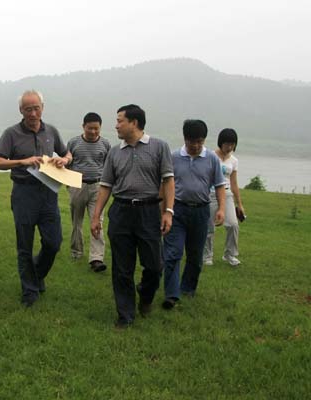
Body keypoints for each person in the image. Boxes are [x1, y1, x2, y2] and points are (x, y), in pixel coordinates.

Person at [91, 104, 174, 328]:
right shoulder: (114, 152)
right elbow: (106, 186)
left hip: (149, 212)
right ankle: (125, 315)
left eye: (120, 121)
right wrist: (96, 216)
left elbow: (168, 180)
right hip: (121, 211)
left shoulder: (159, 147)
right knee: (122, 268)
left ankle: (145, 295)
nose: (116, 125)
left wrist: (168, 211)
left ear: (134, 123)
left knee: (154, 266)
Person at [0, 90, 72, 307]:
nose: (33, 113)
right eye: (28, 109)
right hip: (24, 194)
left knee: (53, 242)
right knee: (25, 245)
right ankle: (29, 291)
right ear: (21, 110)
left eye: (36, 108)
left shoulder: (51, 131)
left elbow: (67, 153)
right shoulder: (11, 133)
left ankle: (35, 274)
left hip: (48, 193)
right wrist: (22, 161)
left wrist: (64, 160)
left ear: (42, 108)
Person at [162, 120, 226, 310]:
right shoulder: (174, 157)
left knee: (195, 256)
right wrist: (163, 210)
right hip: (177, 210)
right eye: (192, 142)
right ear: (185, 139)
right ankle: (171, 294)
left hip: (201, 211)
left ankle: (187, 289)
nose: (196, 146)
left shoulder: (212, 158)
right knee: (173, 252)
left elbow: (220, 186)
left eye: (200, 141)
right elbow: (165, 185)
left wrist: (221, 209)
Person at [66, 112, 111, 272]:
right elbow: (67, 165)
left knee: (97, 221)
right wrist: (70, 185)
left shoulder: (105, 144)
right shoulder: (73, 143)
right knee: (76, 222)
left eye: (96, 128)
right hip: (77, 185)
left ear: (100, 128)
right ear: (83, 127)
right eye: (90, 128)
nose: (93, 132)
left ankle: (96, 258)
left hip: (98, 186)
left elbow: (108, 167)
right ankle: (76, 252)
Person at [203, 128, 244, 266]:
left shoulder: (234, 161)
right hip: (210, 193)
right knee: (209, 227)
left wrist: (240, 204)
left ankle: (230, 255)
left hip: (227, 194)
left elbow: (234, 183)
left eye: (232, 144)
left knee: (233, 225)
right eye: (227, 144)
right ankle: (207, 255)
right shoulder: (210, 156)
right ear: (221, 142)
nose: (230, 147)